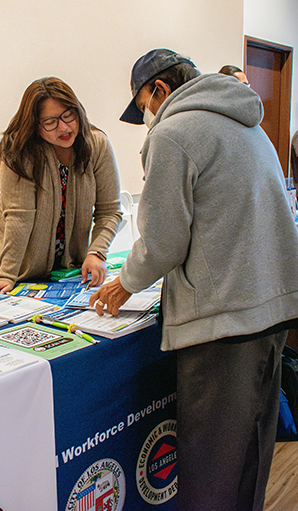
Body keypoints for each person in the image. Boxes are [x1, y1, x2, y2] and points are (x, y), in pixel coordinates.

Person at [91, 48, 298, 511]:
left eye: (143, 102)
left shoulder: (174, 132)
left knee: (210, 466)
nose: (146, 115)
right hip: (273, 308)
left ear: (160, 89)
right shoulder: (248, 123)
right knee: (252, 453)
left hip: (224, 320)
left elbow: (163, 239)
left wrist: (123, 283)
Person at [0, 77, 122, 297]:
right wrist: (6, 275)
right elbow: (19, 218)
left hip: (68, 261)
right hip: (20, 257)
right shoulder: (20, 152)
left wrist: (97, 252)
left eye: (68, 115)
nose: (64, 127)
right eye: (50, 122)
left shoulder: (96, 144)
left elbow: (109, 211)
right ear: (34, 125)